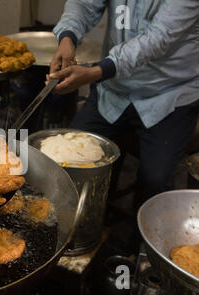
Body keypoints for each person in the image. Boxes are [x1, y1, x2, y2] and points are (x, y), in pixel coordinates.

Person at [47, 0, 199, 210]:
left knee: (154, 180)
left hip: (167, 95)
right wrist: (67, 37)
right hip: (113, 91)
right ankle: (93, 226)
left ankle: (141, 240)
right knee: (72, 165)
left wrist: (93, 73)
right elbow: (84, 4)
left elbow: (157, 39)